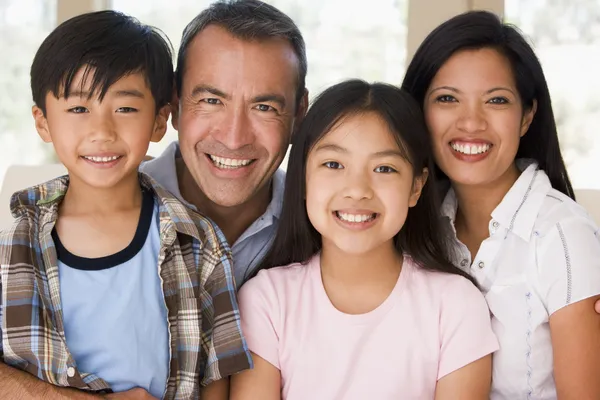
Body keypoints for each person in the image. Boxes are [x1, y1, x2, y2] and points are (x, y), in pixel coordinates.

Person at [0, 10, 250, 399]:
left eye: (126, 108)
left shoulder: (199, 243)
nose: (102, 132)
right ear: (43, 122)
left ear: (160, 120)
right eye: (79, 109)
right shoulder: (12, 247)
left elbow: (215, 379)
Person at [229, 80, 499, 400]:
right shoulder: (265, 300)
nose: (357, 189)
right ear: (303, 177)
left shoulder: (455, 305)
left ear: (416, 186)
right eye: (333, 164)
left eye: (384, 168)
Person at [402, 11, 600, 399]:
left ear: (526, 116)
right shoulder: (410, 224)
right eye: (447, 99)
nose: (471, 122)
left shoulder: (564, 236)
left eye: (496, 100)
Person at [140, 0, 308, 288]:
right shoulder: (97, 209)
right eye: (211, 101)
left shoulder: (324, 226)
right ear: (175, 104)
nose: (234, 138)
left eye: (264, 107)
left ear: (299, 115)